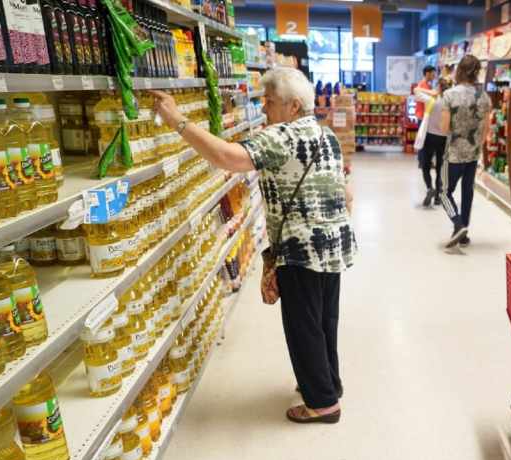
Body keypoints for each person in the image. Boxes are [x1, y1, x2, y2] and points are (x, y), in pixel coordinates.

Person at [150, 67, 357, 425]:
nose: (263, 108)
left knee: (302, 326)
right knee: (324, 320)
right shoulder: (327, 137)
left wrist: (177, 120)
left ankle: (323, 403)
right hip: (334, 243)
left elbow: (226, 158)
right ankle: (328, 384)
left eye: (270, 101)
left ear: (293, 106)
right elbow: (346, 193)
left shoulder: (281, 136)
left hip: (301, 248)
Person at [438, 55, 492, 248]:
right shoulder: (484, 96)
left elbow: (444, 129)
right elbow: (486, 129)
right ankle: (463, 233)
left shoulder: (450, 95)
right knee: (467, 192)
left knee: (443, 192)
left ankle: (458, 224)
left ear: (459, 70)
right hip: (473, 153)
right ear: (477, 72)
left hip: (453, 153)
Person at [418, 77, 453, 207]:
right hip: (443, 138)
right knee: (440, 167)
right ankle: (438, 196)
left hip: (429, 136)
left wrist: (431, 92)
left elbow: (416, 91)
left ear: (437, 87)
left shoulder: (430, 99)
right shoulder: (449, 102)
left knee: (426, 166)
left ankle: (429, 188)